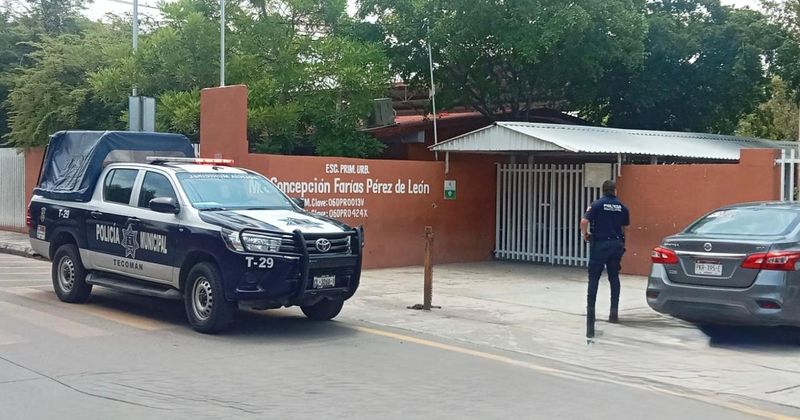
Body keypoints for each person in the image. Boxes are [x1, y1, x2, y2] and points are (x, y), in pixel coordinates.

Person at [580, 179, 629, 339]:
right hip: (616, 245)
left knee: (593, 278)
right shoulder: (622, 207)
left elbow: (584, 221)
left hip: (600, 244)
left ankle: (591, 311)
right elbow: (625, 228)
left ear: (603, 191)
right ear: (615, 190)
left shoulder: (596, 205)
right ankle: (613, 312)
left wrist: (585, 234)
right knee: (614, 277)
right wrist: (622, 243)